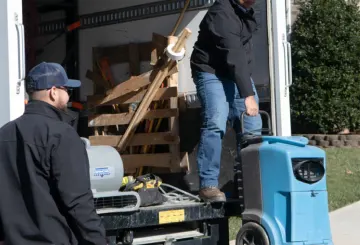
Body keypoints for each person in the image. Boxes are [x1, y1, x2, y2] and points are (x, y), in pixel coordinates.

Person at [0, 62, 107, 245]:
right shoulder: (61, 135)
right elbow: (79, 203)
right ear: (53, 92)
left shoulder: (4, 133)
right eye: (67, 90)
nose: (68, 96)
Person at [190, 0, 262, 202]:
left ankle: (248, 185)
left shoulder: (245, 11)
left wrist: (246, 83)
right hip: (211, 72)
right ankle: (208, 185)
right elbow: (234, 53)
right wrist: (248, 95)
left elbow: (243, 51)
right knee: (215, 121)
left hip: (235, 72)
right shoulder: (221, 13)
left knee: (253, 126)